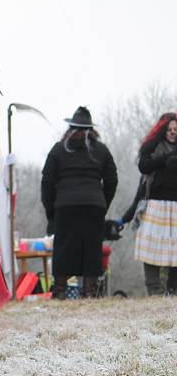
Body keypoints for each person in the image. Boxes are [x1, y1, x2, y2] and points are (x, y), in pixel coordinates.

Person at [41, 107, 118, 299]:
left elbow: (47, 182)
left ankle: (59, 291)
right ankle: (89, 292)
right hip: (94, 205)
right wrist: (102, 203)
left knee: (64, 247)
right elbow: (112, 179)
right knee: (92, 247)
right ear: (91, 129)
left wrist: (51, 210)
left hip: (65, 206)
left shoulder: (58, 149)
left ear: (70, 128)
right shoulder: (101, 150)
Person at [135, 113, 177, 295]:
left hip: (176, 205)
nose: (173, 133)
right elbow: (144, 166)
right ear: (162, 130)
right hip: (156, 204)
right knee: (151, 249)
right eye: (169, 129)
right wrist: (165, 160)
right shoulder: (153, 147)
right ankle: (154, 290)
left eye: (175, 130)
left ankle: (173, 289)